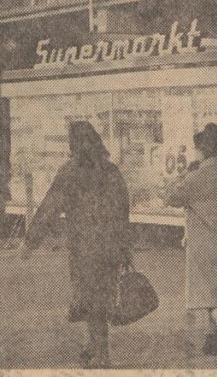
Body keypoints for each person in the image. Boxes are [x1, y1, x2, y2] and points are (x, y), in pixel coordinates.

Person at [19, 121, 134, 369]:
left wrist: (30, 241)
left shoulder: (70, 172)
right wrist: (125, 245)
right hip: (111, 245)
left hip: (85, 247)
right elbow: (124, 207)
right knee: (99, 298)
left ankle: (101, 354)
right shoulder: (111, 170)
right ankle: (93, 347)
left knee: (93, 299)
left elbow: (50, 208)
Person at [165, 122, 217, 367]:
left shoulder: (197, 177)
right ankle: (211, 338)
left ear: (201, 149)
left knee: (210, 297)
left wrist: (183, 176)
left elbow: (170, 197)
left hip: (206, 246)